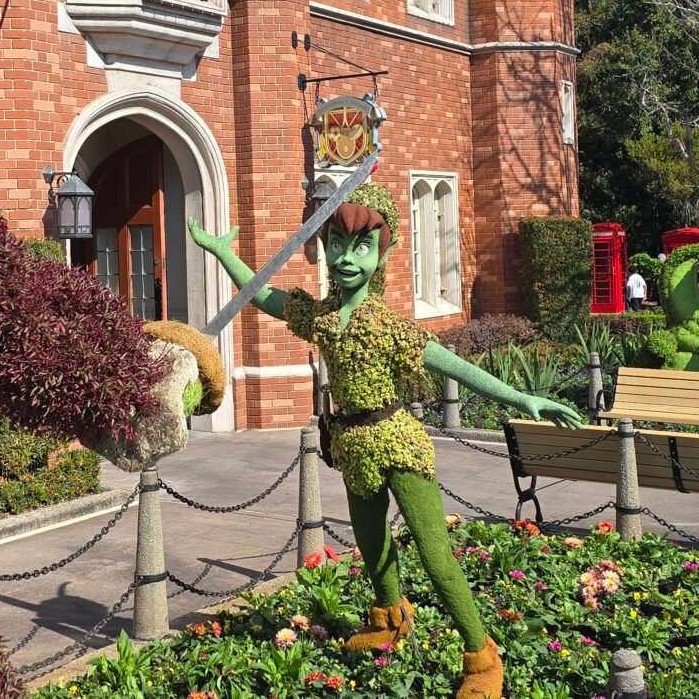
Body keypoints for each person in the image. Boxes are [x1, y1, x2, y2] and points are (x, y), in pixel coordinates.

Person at [189, 184, 582, 699]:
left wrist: (519, 397)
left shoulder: (390, 327)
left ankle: (482, 656)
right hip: (351, 447)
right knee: (372, 546)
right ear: (324, 246)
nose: (347, 258)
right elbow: (263, 295)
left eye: (362, 246)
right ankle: (390, 620)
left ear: (384, 252)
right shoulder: (323, 316)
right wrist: (224, 253)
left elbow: (455, 366)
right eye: (337, 243)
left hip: (398, 443)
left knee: (435, 554)